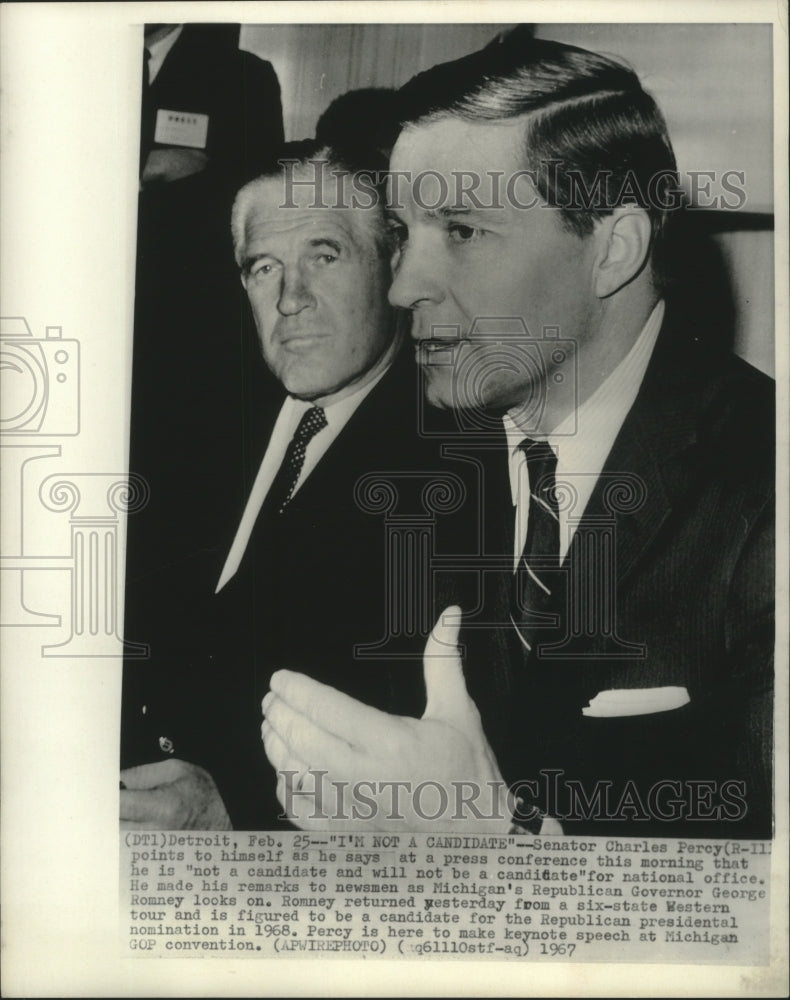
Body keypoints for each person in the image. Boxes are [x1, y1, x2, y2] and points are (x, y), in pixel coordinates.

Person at [262, 33, 774, 838]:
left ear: (612, 250)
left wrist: (498, 840)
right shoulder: (395, 452)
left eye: (462, 232)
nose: (401, 287)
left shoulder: (764, 488)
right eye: (402, 232)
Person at [120, 143, 463, 829]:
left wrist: (235, 810)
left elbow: (418, 747)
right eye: (263, 267)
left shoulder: (454, 464)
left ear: (394, 263)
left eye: (324, 256)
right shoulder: (196, 420)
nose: (289, 299)